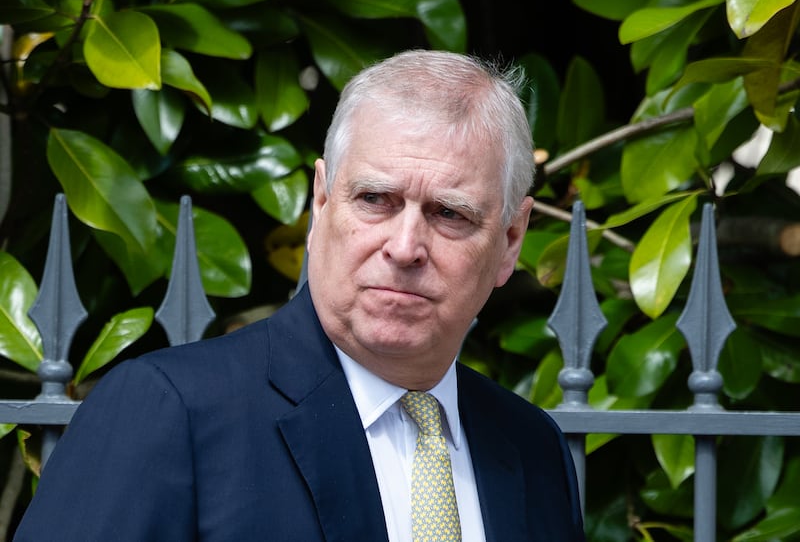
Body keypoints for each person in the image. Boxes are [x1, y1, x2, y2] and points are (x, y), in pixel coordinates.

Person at [14, 49, 585, 541]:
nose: (406, 246)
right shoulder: (169, 412)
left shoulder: (533, 448)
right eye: (375, 199)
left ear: (511, 240)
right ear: (320, 202)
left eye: (449, 213)